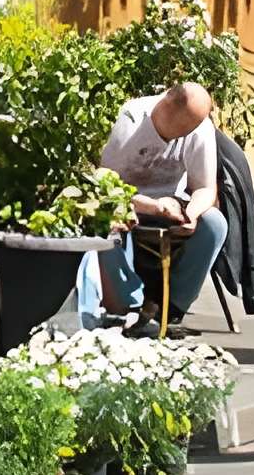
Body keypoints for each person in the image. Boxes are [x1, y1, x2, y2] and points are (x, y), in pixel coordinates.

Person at [96, 82, 226, 333]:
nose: (181, 136)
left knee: (214, 224)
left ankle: (171, 307)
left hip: (171, 204)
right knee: (105, 221)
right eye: (176, 131)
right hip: (128, 201)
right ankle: (128, 306)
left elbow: (205, 188)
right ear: (164, 104)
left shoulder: (200, 127)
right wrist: (153, 206)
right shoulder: (133, 118)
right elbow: (105, 185)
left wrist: (192, 213)